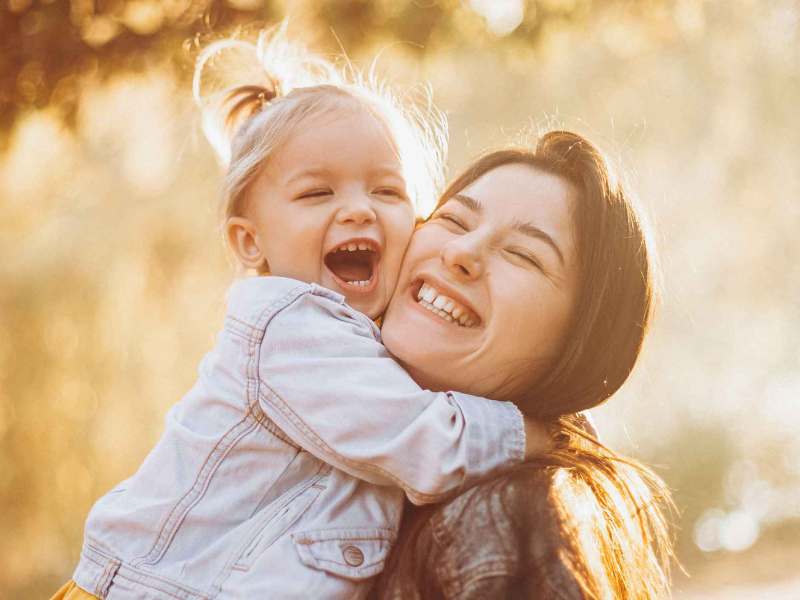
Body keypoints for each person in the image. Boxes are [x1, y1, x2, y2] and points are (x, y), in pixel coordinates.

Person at [51, 29, 546, 600]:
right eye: (317, 195)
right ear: (249, 243)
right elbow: (421, 443)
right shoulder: (287, 327)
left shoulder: (365, 345)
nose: (358, 209)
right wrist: (531, 435)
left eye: (387, 192)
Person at [372, 132, 674, 599]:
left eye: (522, 255)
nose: (461, 253)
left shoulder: (505, 523)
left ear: (579, 341)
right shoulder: (314, 435)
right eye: (453, 220)